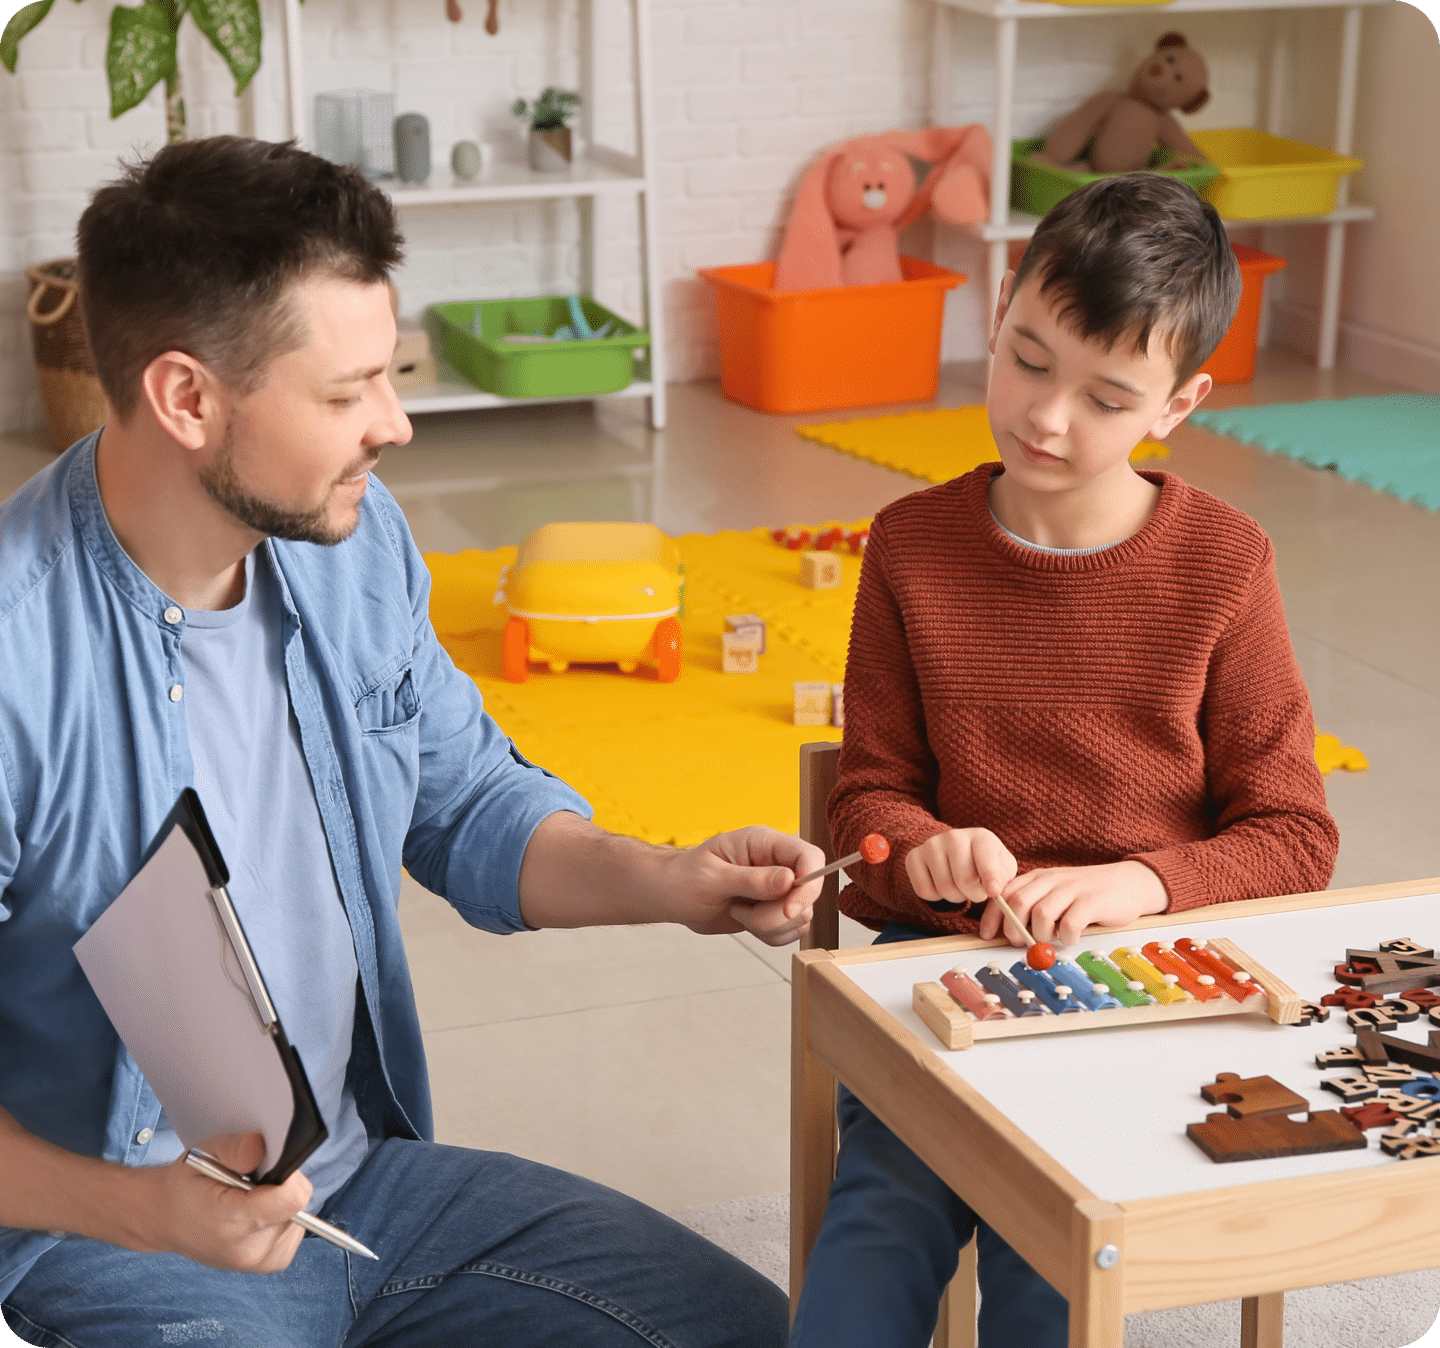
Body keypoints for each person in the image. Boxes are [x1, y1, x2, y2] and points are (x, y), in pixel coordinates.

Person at [0, 136, 821, 1348]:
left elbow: (467, 800)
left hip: (365, 1190)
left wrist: (668, 877)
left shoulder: (354, 541)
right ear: (186, 397)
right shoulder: (19, 652)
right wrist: (148, 1210)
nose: (397, 424)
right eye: (348, 392)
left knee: (765, 1335)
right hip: (111, 1241)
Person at [789, 174, 1339, 1348]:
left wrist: (1138, 881)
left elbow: (1295, 834)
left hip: (1149, 988)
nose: (1047, 417)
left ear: (1178, 403)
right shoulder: (911, 547)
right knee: (880, 1225)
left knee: (1054, 1265)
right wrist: (927, 852)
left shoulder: (1226, 564)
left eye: (1106, 396)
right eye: (1029, 359)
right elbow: (866, 804)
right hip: (944, 973)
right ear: (997, 309)